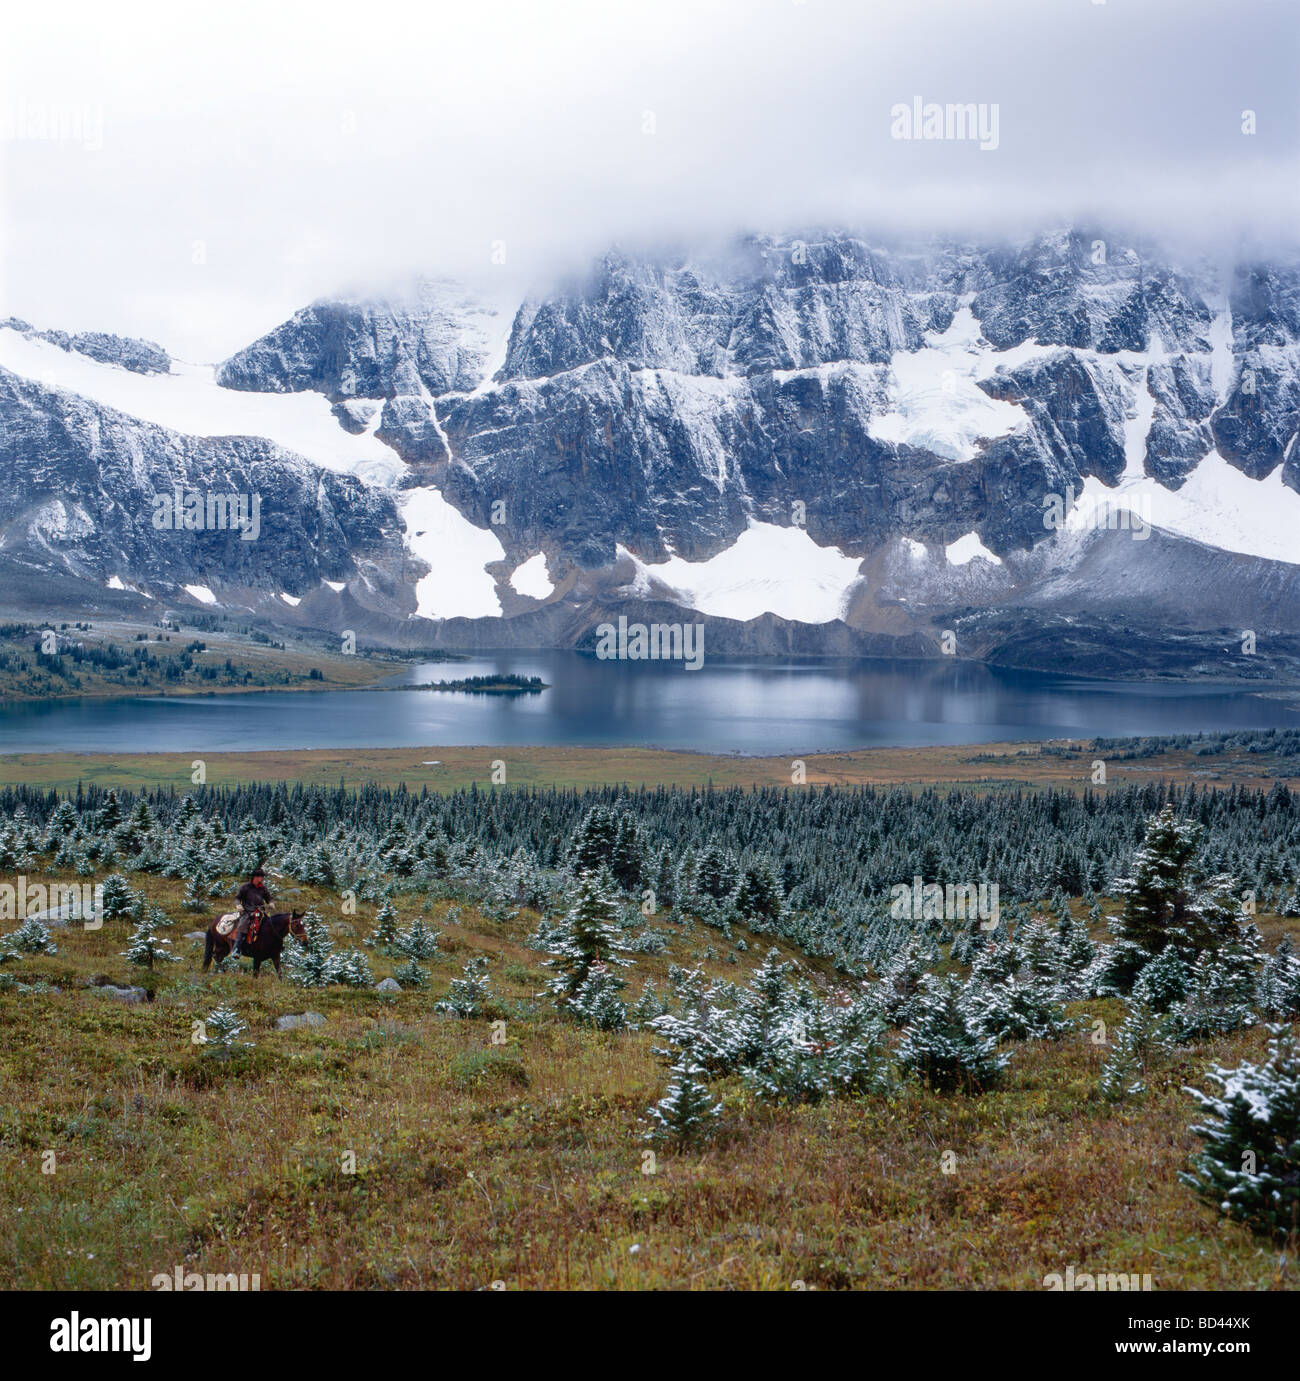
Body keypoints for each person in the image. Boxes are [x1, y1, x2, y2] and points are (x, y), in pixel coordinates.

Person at [230, 868, 274, 957]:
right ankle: (236, 949)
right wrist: (238, 905)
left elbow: (269, 898)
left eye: (263, 877)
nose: (262, 879)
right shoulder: (245, 887)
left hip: (260, 912)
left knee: (270, 925)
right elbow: (237, 898)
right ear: (255, 877)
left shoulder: (263, 888)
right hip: (247, 912)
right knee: (242, 926)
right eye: (261, 877)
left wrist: (271, 903)